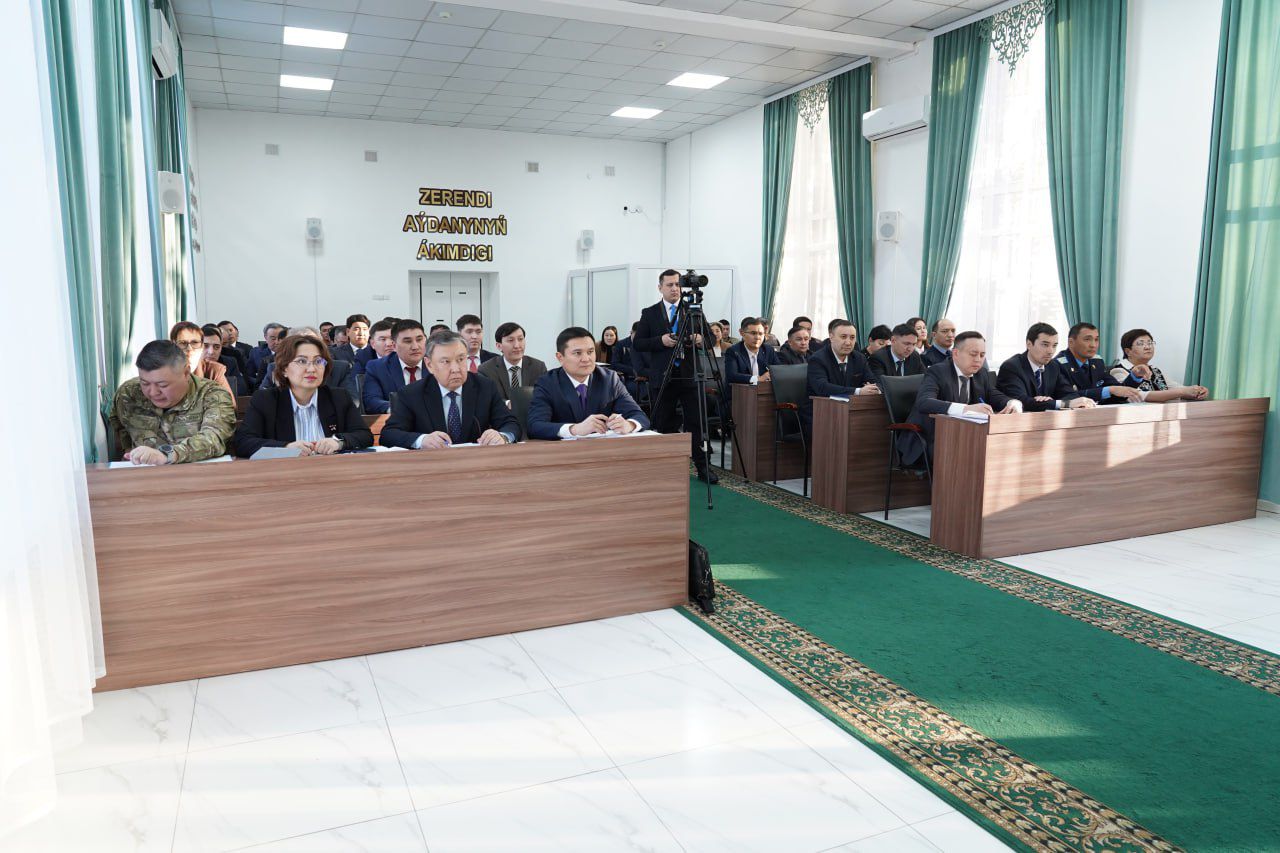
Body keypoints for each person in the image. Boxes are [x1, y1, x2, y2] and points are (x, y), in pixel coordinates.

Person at [635, 268, 718, 483]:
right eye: (670, 285)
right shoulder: (650, 313)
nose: (674, 288)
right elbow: (638, 343)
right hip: (664, 376)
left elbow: (711, 339)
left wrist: (700, 339)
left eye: (677, 284)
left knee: (697, 423)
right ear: (660, 287)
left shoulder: (693, 311)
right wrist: (660, 341)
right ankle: (665, 468)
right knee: (664, 423)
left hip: (690, 375)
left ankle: (703, 467)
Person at [234, 334, 373, 458]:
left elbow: (364, 435)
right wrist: (286, 448)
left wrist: (338, 442)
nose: (312, 369)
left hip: (331, 471)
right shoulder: (265, 400)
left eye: (318, 361)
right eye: (301, 361)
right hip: (284, 473)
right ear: (284, 369)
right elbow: (243, 442)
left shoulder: (338, 397)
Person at [380, 330, 520, 449]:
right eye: (445, 361)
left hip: (476, 463)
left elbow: (511, 424)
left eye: (461, 359)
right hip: (432, 466)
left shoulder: (484, 387)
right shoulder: (412, 393)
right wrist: (422, 440)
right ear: (429, 365)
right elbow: (389, 434)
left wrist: (502, 436)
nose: (455, 369)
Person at [900, 331, 1020, 467]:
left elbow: (994, 395)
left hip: (963, 437)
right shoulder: (937, 371)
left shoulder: (981, 374)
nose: (978, 360)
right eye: (973, 354)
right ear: (956, 353)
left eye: (982, 355)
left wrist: (1012, 402)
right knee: (972, 454)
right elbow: (924, 402)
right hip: (929, 439)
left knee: (999, 452)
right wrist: (966, 409)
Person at [108, 340, 235, 464]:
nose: (153, 392)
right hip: (144, 472)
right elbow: (119, 426)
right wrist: (128, 450)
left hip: (201, 472)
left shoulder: (212, 395)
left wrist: (167, 455)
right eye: (145, 383)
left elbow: (214, 438)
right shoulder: (128, 394)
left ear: (186, 373)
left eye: (162, 385)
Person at [527, 327, 649, 440]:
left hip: (603, 450)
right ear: (560, 357)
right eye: (577, 353)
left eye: (590, 352)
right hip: (563, 452)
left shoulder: (609, 379)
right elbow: (535, 426)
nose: (586, 359)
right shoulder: (547, 383)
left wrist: (629, 424)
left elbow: (639, 416)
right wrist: (574, 429)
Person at [996, 323, 1096, 411]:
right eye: (1045, 345)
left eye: (1054, 345)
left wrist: (1049, 402)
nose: (1050, 351)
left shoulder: (1053, 366)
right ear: (1029, 344)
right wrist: (1061, 403)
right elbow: (1021, 401)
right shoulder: (1012, 367)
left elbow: (1070, 394)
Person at [256, 326, 360, 404]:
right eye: (300, 342)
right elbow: (263, 400)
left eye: (312, 342)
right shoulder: (277, 367)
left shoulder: (339, 368)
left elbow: (353, 401)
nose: (307, 346)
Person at [1111, 329, 1209, 402]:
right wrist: (1183, 392)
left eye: (1150, 343)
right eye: (1141, 344)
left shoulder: (1155, 370)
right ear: (1128, 351)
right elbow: (1140, 396)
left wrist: (1197, 391)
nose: (1148, 347)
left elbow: (1177, 388)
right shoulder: (1118, 371)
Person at [1058, 323, 1143, 404]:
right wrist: (1109, 390)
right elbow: (1067, 397)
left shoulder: (1097, 362)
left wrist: (1135, 376)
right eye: (1087, 339)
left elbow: (1119, 391)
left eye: (1096, 339)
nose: (1093, 345)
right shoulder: (1058, 365)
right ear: (1071, 342)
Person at [363, 319, 427, 414]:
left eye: (419, 340)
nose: (415, 347)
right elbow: (371, 400)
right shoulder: (377, 367)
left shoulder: (437, 364)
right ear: (394, 345)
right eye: (408, 341)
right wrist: (397, 409)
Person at [806, 320, 880, 401]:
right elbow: (822, 387)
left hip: (852, 405)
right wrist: (857, 391)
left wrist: (874, 389)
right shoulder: (817, 359)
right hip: (821, 405)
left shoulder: (859, 358)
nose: (848, 342)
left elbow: (873, 381)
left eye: (852, 338)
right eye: (843, 337)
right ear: (831, 337)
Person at [478, 321, 548, 400]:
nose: (517, 346)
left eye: (520, 339)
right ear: (499, 346)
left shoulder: (538, 367)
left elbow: (545, 396)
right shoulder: (486, 370)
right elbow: (486, 399)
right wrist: (508, 403)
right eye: (511, 340)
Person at [170, 321, 234, 397]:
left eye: (194, 343)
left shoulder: (213, 370)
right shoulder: (164, 369)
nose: (189, 349)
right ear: (173, 346)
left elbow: (227, 402)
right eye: (183, 343)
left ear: (201, 347)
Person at [725, 317, 779, 385]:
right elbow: (732, 376)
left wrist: (772, 373)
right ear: (742, 333)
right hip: (740, 390)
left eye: (760, 334)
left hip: (764, 390)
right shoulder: (734, 351)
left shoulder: (768, 350)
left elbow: (779, 370)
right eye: (753, 333)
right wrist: (758, 379)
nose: (757, 337)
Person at [201, 323, 247, 395]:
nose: (211, 352)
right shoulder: (187, 365)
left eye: (216, 347)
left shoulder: (230, 362)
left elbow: (241, 391)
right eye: (205, 346)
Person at [611, 321, 643, 396]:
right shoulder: (621, 344)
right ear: (631, 332)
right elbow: (615, 364)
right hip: (628, 377)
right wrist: (634, 371)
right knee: (634, 389)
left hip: (645, 377)